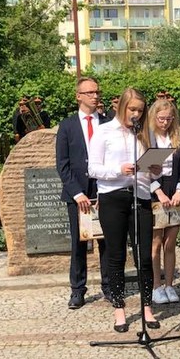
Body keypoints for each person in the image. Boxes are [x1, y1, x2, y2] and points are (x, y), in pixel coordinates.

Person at [88, 88, 162, 333]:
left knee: (144, 256)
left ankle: (147, 307)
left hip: (140, 196)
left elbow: (153, 169)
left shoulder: (145, 132)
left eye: (140, 110)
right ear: (121, 107)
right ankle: (119, 309)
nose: (136, 114)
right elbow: (93, 169)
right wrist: (119, 170)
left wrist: (155, 169)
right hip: (113, 197)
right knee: (116, 255)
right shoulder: (104, 131)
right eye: (132, 109)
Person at [56, 77, 110, 309]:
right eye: (90, 93)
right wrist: (77, 194)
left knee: (107, 241)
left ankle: (110, 286)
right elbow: (62, 164)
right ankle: (78, 290)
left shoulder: (108, 123)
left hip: (104, 190)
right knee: (78, 243)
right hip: (77, 194)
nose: (95, 96)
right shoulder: (67, 126)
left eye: (97, 92)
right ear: (78, 96)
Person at [148, 100, 180, 305]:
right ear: (154, 118)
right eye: (161, 119)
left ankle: (170, 285)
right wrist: (158, 192)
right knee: (156, 243)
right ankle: (156, 286)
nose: (165, 123)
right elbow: (143, 169)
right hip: (155, 194)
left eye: (169, 119)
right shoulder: (147, 138)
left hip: (175, 194)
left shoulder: (177, 138)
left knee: (170, 243)